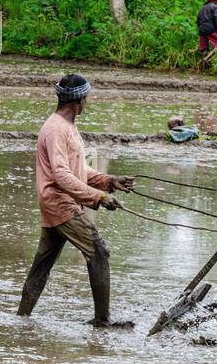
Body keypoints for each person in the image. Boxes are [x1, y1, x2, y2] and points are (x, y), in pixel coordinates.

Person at [17, 74, 135, 328]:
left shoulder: (67, 127)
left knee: (42, 263)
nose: (87, 102)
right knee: (99, 252)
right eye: (86, 97)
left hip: (58, 201)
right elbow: (61, 176)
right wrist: (99, 197)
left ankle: (21, 318)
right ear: (79, 100)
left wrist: (108, 181)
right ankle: (102, 321)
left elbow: (77, 169)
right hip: (60, 202)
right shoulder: (56, 129)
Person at [196, 0, 217, 67]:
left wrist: (201, 28)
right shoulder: (215, 7)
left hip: (201, 29)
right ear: (215, 0)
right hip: (210, 28)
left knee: (203, 48)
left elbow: (198, 21)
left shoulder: (202, 8)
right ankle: (206, 59)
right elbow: (216, 19)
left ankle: (203, 66)